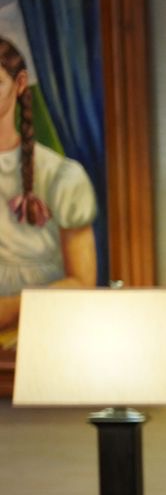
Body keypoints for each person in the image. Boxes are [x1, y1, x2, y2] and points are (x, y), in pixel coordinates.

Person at [0, 35, 97, 352]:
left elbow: (82, 282)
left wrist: (12, 309)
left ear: (20, 83)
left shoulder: (60, 175)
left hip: (43, 337)